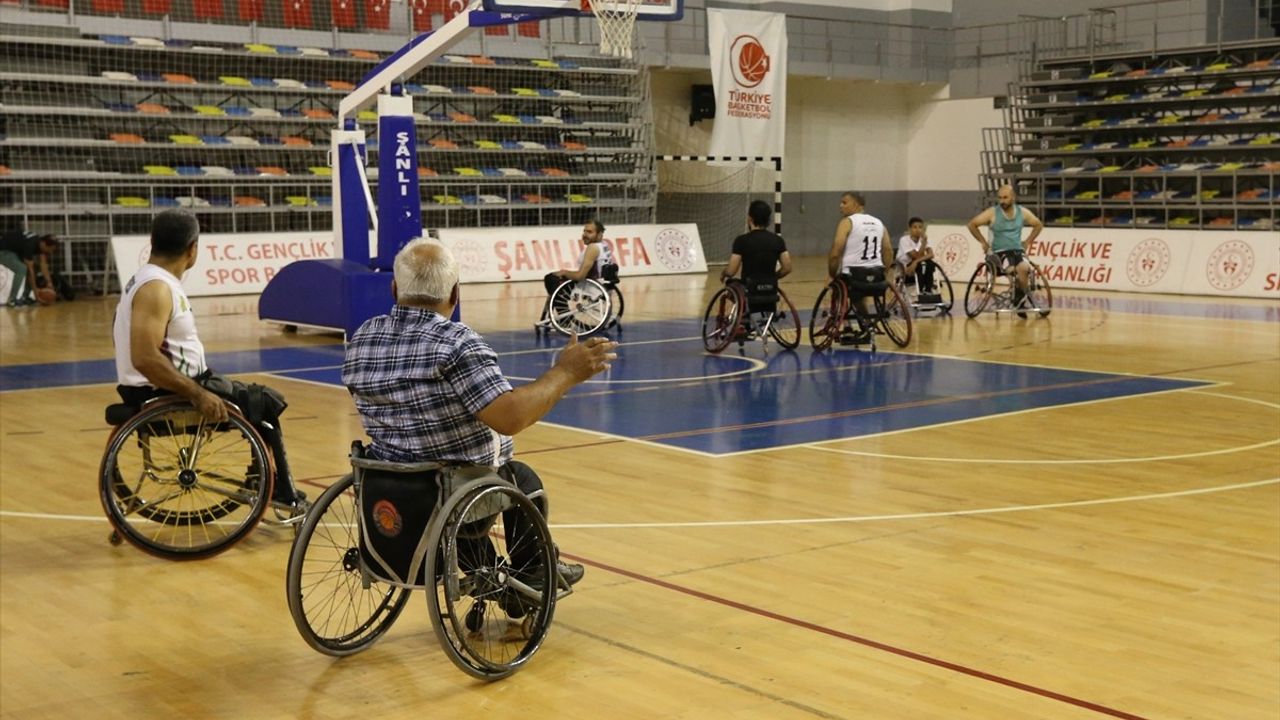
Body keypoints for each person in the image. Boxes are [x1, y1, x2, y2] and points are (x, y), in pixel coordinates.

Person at [343, 237, 619, 588]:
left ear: (394, 288)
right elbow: (510, 417)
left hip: (385, 480)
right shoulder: (458, 343)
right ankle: (531, 575)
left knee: (466, 482)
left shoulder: (364, 336)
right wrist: (565, 373)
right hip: (449, 489)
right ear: (455, 294)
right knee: (519, 477)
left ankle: (487, 574)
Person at [112, 210, 306, 511]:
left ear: (152, 242)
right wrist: (198, 393)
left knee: (254, 397)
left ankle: (262, 479)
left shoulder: (151, 280)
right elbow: (145, 358)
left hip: (169, 385)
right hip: (164, 391)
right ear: (193, 249)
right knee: (266, 402)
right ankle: (280, 490)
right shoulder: (156, 289)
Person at [966, 184, 1045, 318]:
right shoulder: (992, 212)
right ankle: (1023, 298)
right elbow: (972, 225)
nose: (1002, 201)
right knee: (1015, 269)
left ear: (1013, 197)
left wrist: (1027, 242)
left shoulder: (1022, 212)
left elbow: (1038, 225)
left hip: (1017, 251)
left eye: (1005, 197)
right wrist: (983, 242)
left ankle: (1021, 297)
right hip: (999, 253)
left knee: (1025, 268)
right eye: (1000, 198)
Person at [827, 191, 893, 344]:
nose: (840, 206)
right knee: (862, 293)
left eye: (844, 202)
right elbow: (888, 250)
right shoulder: (878, 222)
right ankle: (866, 325)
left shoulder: (847, 222)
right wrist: (885, 271)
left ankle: (847, 325)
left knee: (838, 289)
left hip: (854, 275)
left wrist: (831, 274)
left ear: (856, 204)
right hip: (877, 275)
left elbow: (836, 251)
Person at [0, 228, 58, 307]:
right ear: (44, 244)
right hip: (3, 251)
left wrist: (49, 283)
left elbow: (43, 265)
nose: (50, 252)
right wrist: (36, 295)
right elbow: (30, 273)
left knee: (35, 268)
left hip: (13, 251)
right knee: (21, 269)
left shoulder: (39, 243)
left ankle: (25, 297)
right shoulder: (31, 244)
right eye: (50, 249)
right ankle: (12, 300)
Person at [895, 217, 940, 303]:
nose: (918, 230)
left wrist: (916, 262)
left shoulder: (925, 239)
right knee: (922, 264)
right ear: (909, 229)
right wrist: (923, 244)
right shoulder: (904, 240)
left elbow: (931, 254)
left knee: (930, 263)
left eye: (920, 227)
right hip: (905, 269)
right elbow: (915, 256)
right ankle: (920, 292)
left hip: (916, 265)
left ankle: (927, 290)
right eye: (915, 227)